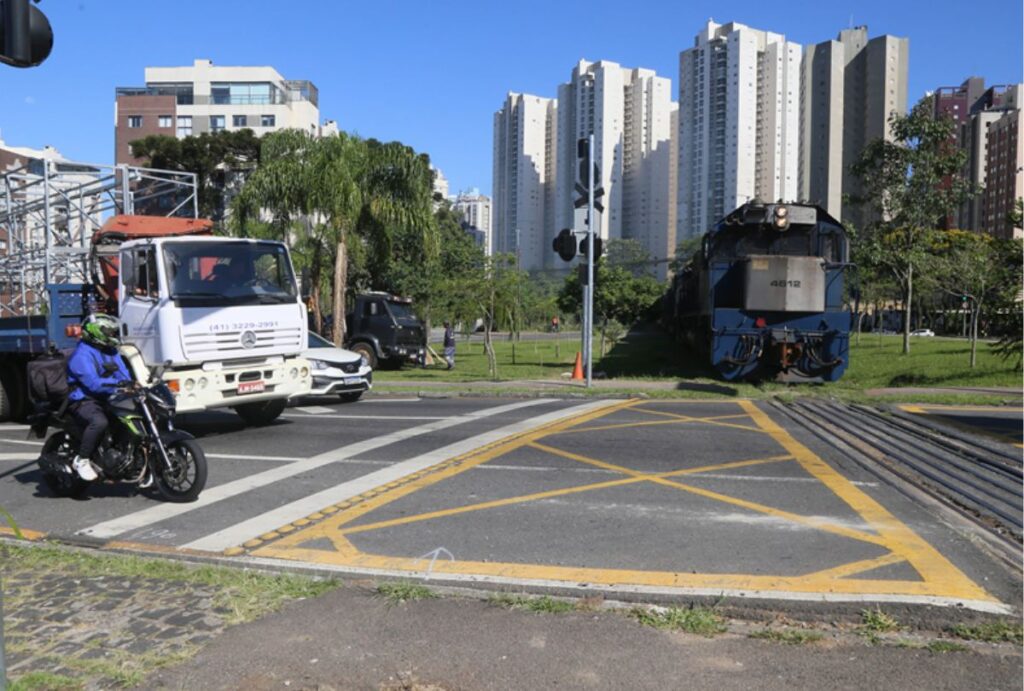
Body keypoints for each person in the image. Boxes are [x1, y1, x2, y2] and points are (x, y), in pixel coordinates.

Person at [66, 314, 133, 481]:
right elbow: (93, 384)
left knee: (131, 418)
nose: (113, 336)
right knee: (99, 422)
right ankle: (82, 459)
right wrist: (118, 384)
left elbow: (123, 375)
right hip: (84, 399)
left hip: (107, 396)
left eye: (113, 332)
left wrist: (132, 385)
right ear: (96, 332)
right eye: (109, 332)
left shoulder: (111, 351)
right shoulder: (81, 356)